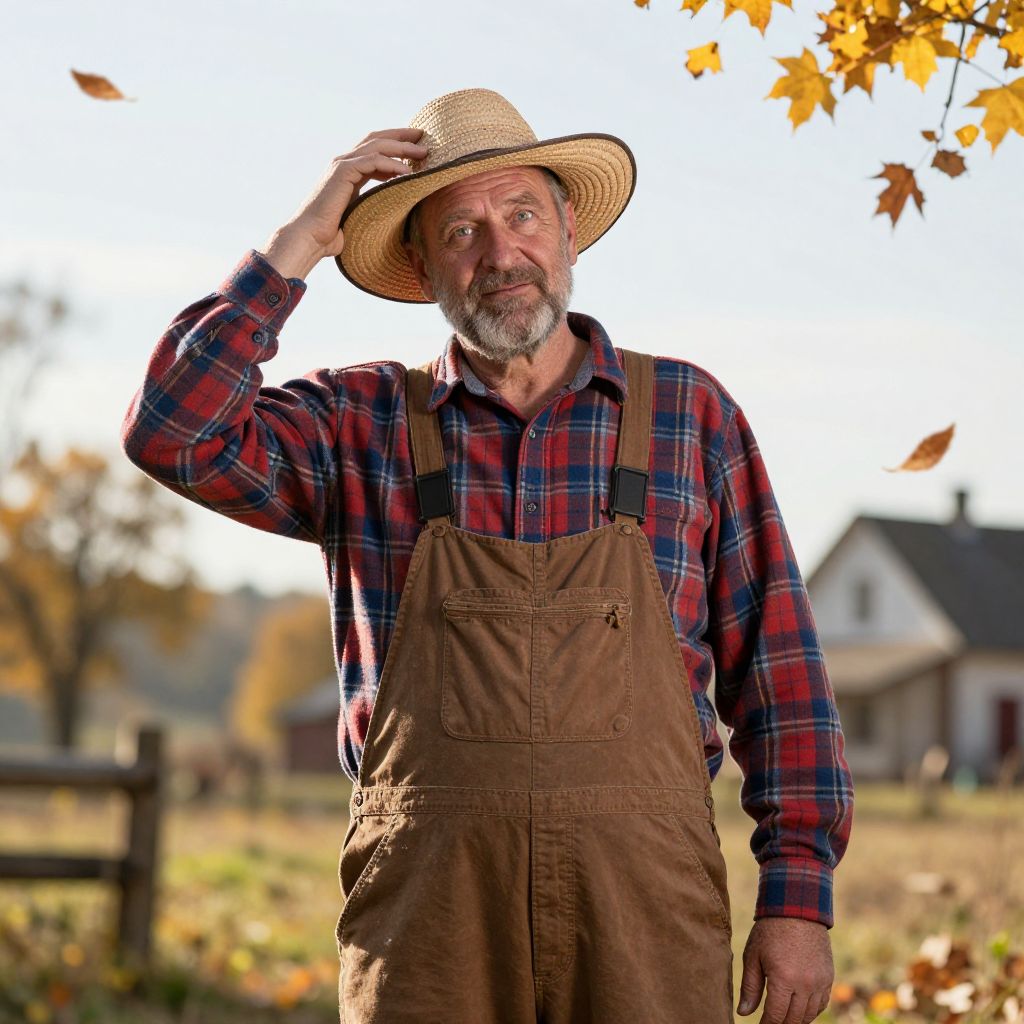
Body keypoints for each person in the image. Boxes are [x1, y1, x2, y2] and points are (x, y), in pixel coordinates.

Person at [121, 87, 854, 1024]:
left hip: (644, 914)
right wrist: (298, 243)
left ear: (570, 232)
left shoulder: (690, 418)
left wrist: (798, 900)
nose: (501, 254)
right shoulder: (359, 424)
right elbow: (170, 432)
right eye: (461, 231)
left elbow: (781, 677)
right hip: (429, 920)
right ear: (421, 265)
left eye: (522, 216)